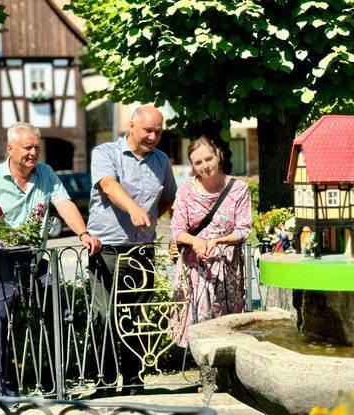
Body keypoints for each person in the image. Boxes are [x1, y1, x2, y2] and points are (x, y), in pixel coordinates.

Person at [0, 121, 101, 396]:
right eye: (28, 147)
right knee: (0, 333)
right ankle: (7, 396)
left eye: (37, 147)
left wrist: (83, 232)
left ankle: (55, 385)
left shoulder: (46, 174)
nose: (34, 153)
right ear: (10, 149)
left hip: (35, 262)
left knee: (60, 316)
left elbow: (64, 204)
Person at [86, 105, 177, 396]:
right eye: (148, 130)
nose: (153, 136)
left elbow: (169, 198)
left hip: (141, 249)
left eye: (158, 131)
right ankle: (106, 382)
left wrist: (149, 220)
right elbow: (109, 185)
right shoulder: (105, 153)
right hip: (108, 247)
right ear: (132, 126)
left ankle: (134, 380)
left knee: (136, 315)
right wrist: (134, 209)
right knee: (105, 316)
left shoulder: (162, 160)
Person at [170, 136, 252, 348]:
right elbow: (177, 229)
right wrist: (196, 241)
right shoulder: (186, 190)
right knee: (198, 323)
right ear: (193, 166)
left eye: (208, 159)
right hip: (195, 269)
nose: (205, 166)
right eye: (198, 162)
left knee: (227, 327)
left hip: (227, 271)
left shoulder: (238, 189)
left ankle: (225, 378)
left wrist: (217, 241)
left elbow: (243, 229)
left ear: (218, 155)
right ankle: (206, 378)